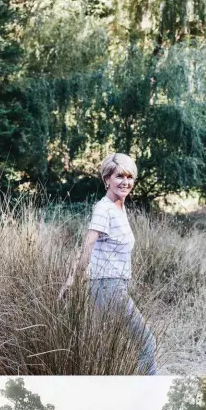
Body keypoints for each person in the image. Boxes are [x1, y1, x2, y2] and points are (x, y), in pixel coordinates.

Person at [59, 153, 156, 375]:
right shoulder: (104, 208)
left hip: (114, 285)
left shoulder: (119, 208)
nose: (125, 182)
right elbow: (87, 246)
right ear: (107, 179)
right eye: (119, 176)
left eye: (130, 177)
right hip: (106, 286)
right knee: (147, 343)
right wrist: (72, 279)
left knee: (104, 349)